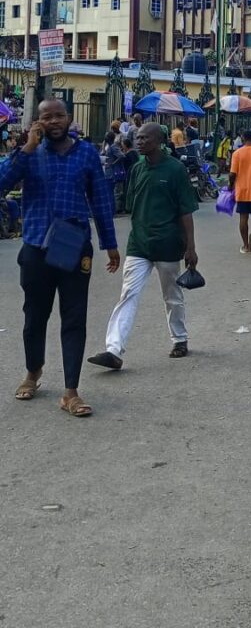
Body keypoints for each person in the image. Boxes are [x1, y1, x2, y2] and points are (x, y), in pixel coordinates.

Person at [0, 99, 120, 416]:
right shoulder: (29, 152)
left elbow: (101, 199)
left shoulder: (86, 153)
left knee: (74, 318)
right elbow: (2, 183)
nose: (53, 121)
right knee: (34, 317)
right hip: (36, 246)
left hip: (74, 245)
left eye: (58, 116)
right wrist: (27, 147)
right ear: (38, 121)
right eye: (46, 116)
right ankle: (33, 372)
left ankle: (71, 392)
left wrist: (110, 243)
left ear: (68, 118)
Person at [87, 122, 199, 370]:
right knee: (128, 294)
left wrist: (191, 247)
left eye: (145, 138)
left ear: (158, 141)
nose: (139, 141)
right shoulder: (137, 168)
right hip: (139, 243)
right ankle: (113, 350)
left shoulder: (175, 170)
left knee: (172, 295)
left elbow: (186, 212)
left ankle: (179, 339)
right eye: (137, 138)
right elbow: (131, 205)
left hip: (168, 243)